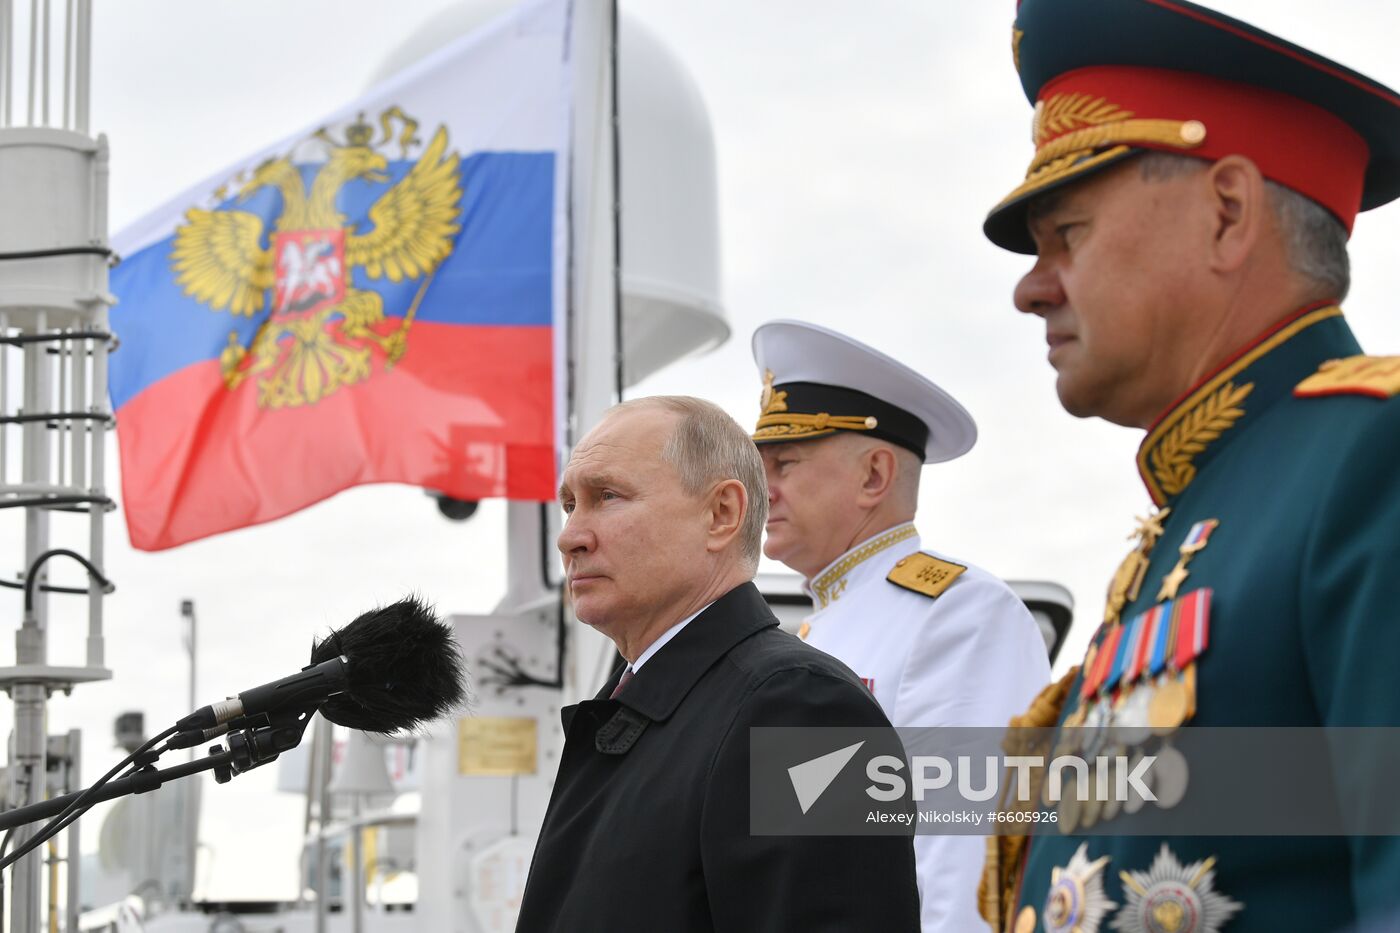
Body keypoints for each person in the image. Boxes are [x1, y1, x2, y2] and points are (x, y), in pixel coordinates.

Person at [978, 1, 1400, 931]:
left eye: (1069, 234)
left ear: (1227, 213)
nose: (1029, 286)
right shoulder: (1195, 520)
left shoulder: (1372, 457)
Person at [515, 395, 921, 932]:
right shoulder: (643, 706)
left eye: (607, 496)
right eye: (570, 505)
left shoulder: (804, 711)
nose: (570, 537)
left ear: (721, 514)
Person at [750, 320, 1052, 932]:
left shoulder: (958, 611)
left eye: (784, 463)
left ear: (874, 476)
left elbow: (971, 849)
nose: (764, 489)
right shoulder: (813, 629)